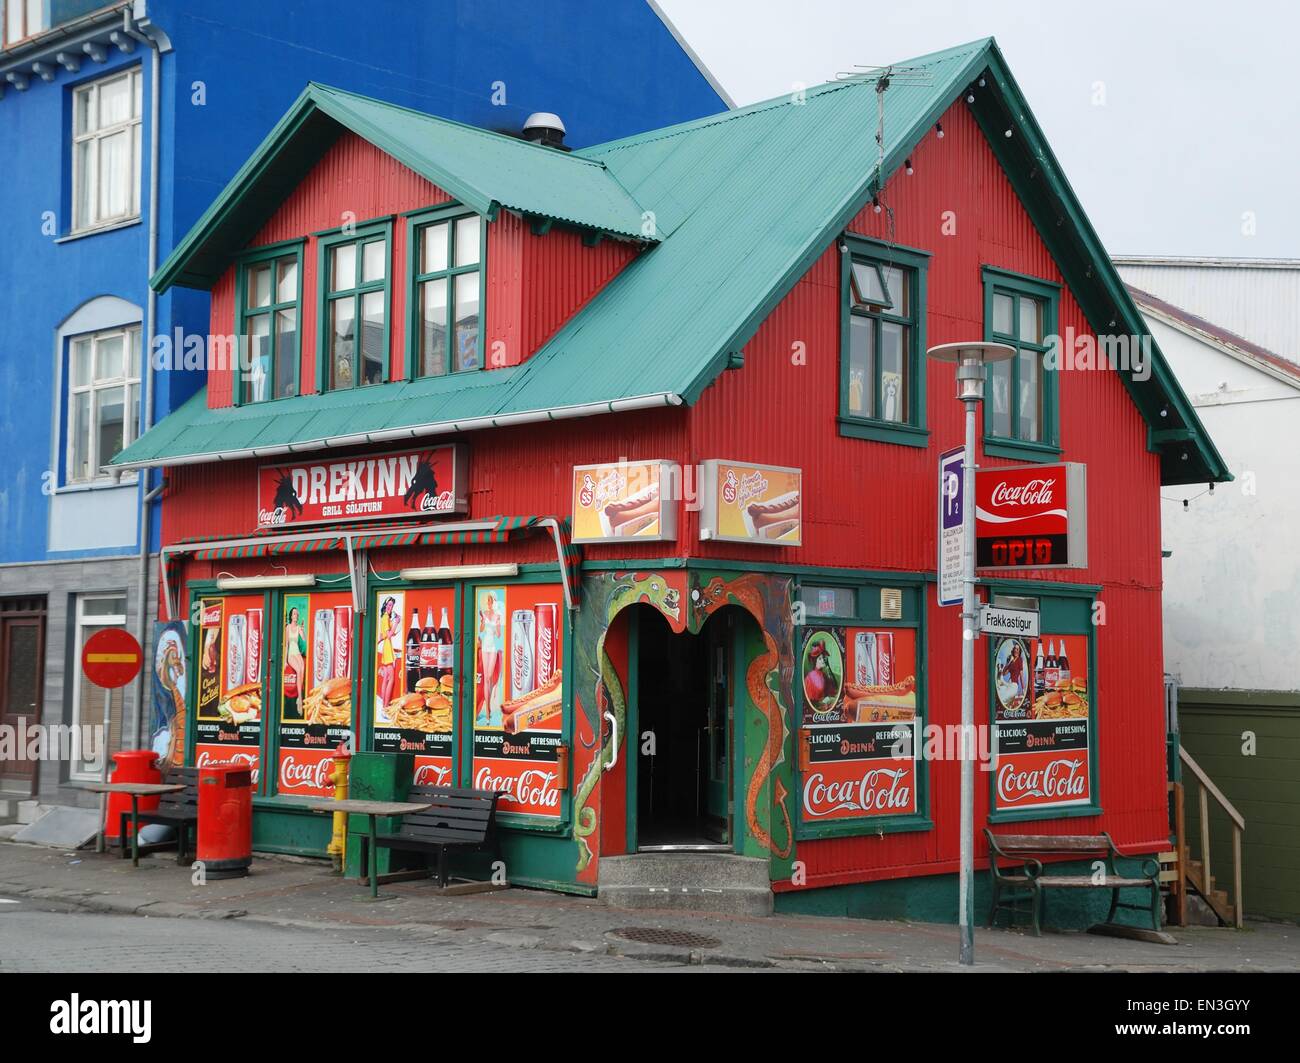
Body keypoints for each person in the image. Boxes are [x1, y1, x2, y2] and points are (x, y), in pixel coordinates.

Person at [476, 593, 504, 725]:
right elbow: (481, 630)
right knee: (486, 679)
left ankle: (490, 708)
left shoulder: (497, 616)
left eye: (490, 601)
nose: (489, 603)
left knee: (488, 677)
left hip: (492, 648)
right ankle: (487, 712)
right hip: (484, 648)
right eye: (487, 601)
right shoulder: (484, 614)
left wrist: (497, 624)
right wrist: (482, 620)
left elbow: (498, 635)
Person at [283, 606, 306, 719]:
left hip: (297, 652)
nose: (296, 616)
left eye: (297, 614)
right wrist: (285, 661)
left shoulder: (298, 628)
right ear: (291, 616)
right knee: (298, 670)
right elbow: (287, 644)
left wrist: (303, 630)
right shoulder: (287, 627)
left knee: (302, 668)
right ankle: (300, 699)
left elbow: (304, 639)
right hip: (291, 654)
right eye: (294, 614)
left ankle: (298, 697)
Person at [376, 596, 398, 709]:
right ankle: (385, 706)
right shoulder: (385, 618)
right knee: (392, 678)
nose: (390, 607)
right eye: (389, 605)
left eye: (392, 605)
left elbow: (385, 635)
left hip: (386, 647)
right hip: (387, 648)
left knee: (386, 678)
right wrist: (396, 623)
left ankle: (384, 706)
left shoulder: (385, 618)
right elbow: (389, 635)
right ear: (385, 605)